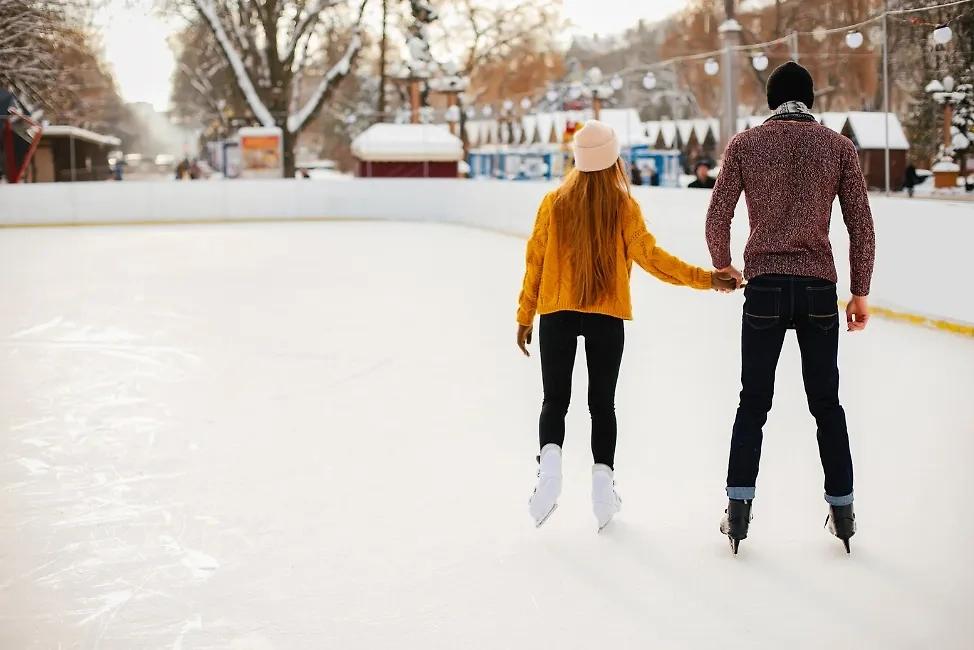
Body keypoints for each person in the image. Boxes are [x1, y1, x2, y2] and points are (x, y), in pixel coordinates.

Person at [517, 120, 738, 531]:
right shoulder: (623, 206)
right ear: (613, 158)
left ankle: (549, 476)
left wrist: (525, 316)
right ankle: (603, 490)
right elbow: (653, 259)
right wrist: (707, 278)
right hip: (607, 316)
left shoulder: (553, 203)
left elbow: (535, 263)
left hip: (556, 314)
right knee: (602, 405)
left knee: (555, 401)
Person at [704, 61, 876, 554]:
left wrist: (725, 264)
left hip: (764, 289)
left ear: (770, 99)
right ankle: (842, 512)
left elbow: (719, 212)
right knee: (827, 404)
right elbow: (860, 225)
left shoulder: (746, 144)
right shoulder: (838, 147)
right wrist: (858, 290)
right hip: (819, 290)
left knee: (752, 402)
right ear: (811, 99)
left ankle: (738, 512)